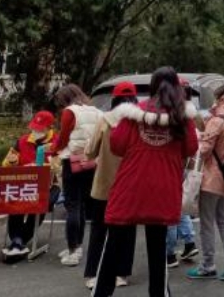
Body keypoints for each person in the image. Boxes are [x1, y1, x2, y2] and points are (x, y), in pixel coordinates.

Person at [91, 67, 198, 297]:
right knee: (158, 252)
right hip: (163, 190)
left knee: (112, 248)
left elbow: (117, 145)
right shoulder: (182, 118)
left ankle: (102, 293)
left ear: (152, 86)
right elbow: (191, 148)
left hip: (130, 187)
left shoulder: (133, 113)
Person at [186, 82, 224, 282]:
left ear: (220, 99)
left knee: (207, 223)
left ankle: (208, 265)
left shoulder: (217, 120)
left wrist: (199, 139)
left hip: (212, 178)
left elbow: (204, 151)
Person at [83, 81, 137, 290]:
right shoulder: (139, 122)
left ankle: (93, 273)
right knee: (127, 230)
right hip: (130, 185)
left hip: (104, 185)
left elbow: (91, 152)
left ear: (114, 99)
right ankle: (121, 273)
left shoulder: (105, 120)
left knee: (99, 229)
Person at [51, 83, 103, 266]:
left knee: (72, 205)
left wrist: (53, 149)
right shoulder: (97, 112)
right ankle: (77, 245)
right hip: (90, 162)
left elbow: (63, 137)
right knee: (82, 205)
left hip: (71, 161)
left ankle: (74, 249)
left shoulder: (70, 112)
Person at [0, 110, 60, 260]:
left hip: (50, 185)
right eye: (34, 128)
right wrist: (12, 162)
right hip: (24, 183)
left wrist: (49, 165)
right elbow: (5, 163)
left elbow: (60, 167)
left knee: (41, 203)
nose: (36, 131)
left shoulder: (57, 142)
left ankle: (20, 240)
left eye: (40, 129)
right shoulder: (22, 141)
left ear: (49, 127)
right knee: (15, 202)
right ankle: (16, 240)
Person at [167, 79, 200, 269]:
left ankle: (169, 253)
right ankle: (189, 243)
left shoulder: (174, 112)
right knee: (179, 205)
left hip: (173, 165)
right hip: (188, 164)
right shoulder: (193, 111)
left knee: (169, 209)